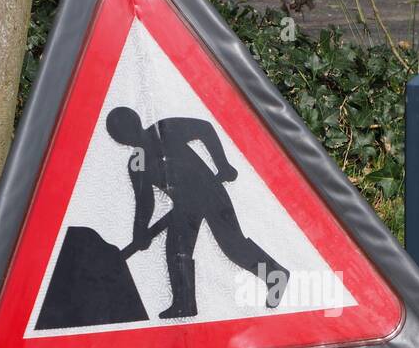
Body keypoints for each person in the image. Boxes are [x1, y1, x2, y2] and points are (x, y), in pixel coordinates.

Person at [105, 106, 290, 318]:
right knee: (176, 250)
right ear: (119, 139)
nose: (126, 136)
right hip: (184, 207)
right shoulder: (137, 163)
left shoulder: (164, 129)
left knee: (232, 245)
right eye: (120, 134)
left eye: (124, 130)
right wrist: (140, 234)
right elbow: (145, 202)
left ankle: (275, 274)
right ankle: (184, 303)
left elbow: (205, 129)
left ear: (134, 123)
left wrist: (223, 165)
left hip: (209, 191)